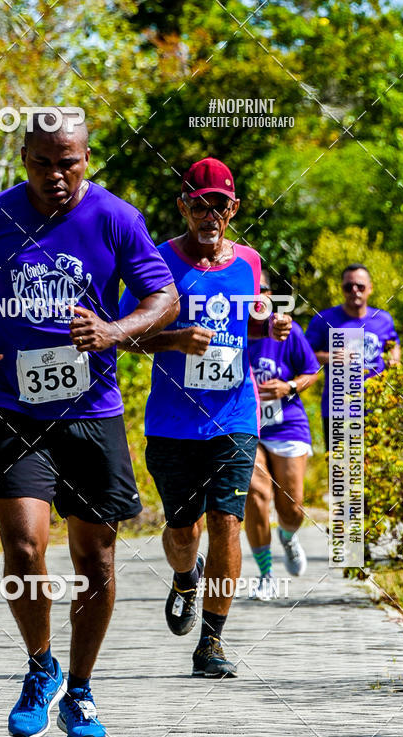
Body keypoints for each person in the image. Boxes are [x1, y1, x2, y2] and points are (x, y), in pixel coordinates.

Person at [0, 110, 178, 737]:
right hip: (16, 410)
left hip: (92, 416)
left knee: (95, 561)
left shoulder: (117, 217)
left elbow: (164, 298)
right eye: (42, 163)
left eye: (67, 162)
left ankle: (81, 690)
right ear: (24, 159)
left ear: (87, 159)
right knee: (22, 550)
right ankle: (40, 667)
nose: (56, 176)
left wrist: (114, 331)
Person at [120, 157, 291, 678]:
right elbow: (124, 335)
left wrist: (270, 326)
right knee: (182, 532)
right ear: (184, 207)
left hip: (235, 415)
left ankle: (211, 642)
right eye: (200, 203)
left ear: (234, 208)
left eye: (220, 204)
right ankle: (184, 578)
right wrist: (175, 339)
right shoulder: (158, 263)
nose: (211, 213)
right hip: (172, 423)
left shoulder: (251, 262)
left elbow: (246, 322)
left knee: (226, 522)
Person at [245, 271, 319, 599]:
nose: (255, 296)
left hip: (287, 423)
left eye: (261, 290)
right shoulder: (231, 329)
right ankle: (265, 573)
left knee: (292, 507)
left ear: (270, 295)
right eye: (248, 291)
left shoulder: (288, 331)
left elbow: (312, 370)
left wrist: (287, 386)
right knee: (255, 494)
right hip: (247, 424)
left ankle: (288, 538)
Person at [305, 264, 400, 451]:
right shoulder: (324, 319)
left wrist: (394, 359)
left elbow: (393, 343)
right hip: (339, 408)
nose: (354, 291)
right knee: (342, 474)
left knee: (378, 468)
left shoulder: (383, 319)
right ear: (342, 289)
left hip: (377, 406)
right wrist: (331, 357)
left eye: (360, 286)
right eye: (349, 287)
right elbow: (304, 356)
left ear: (370, 288)